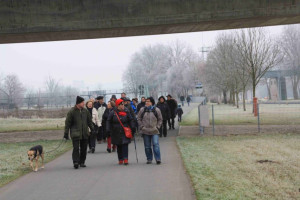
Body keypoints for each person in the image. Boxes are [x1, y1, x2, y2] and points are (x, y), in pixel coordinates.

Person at [64, 96, 94, 169]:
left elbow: (89, 121)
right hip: (75, 133)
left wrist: (92, 129)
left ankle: (82, 162)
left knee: (84, 149)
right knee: (76, 148)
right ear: (78, 103)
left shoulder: (85, 111)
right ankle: (76, 162)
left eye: (84, 102)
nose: (84, 103)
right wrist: (66, 133)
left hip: (84, 133)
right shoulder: (72, 111)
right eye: (82, 102)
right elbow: (67, 123)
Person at [106, 99, 136, 165]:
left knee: (125, 144)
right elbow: (108, 121)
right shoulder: (113, 112)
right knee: (119, 145)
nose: (122, 106)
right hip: (115, 131)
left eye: (123, 104)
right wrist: (108, 129)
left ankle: (125, 159)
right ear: (117, 105)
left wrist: (133, 127)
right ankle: (120, 159)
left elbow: (130, 119)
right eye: (121, 104)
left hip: (125, 130)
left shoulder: (126, 111)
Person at [138, 97, 163, 164]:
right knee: (147, 146)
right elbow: (139, 119)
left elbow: (160, 119)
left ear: (152, 102)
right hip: (145, 131)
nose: (146, 102)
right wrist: (142, 127)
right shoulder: (142, 110)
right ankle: (149, 159)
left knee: (155, 144)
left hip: (154, 130)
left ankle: (158, 159)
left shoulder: (157, 110)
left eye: (148, 101)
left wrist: (157, 127)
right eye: (146, 101)